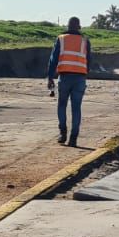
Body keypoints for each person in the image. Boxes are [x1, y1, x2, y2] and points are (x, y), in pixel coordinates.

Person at [46, 17, 92, 146]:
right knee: (76, 108)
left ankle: (63, 133)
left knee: (62, 105)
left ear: (68, 26)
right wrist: (84, 73)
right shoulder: (85, 40)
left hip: (65, 77)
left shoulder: (61, 39)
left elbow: (53, 59)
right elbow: (89, 60)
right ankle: (73, 138)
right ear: (79, 27)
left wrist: (50, 77)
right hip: (80, 78)